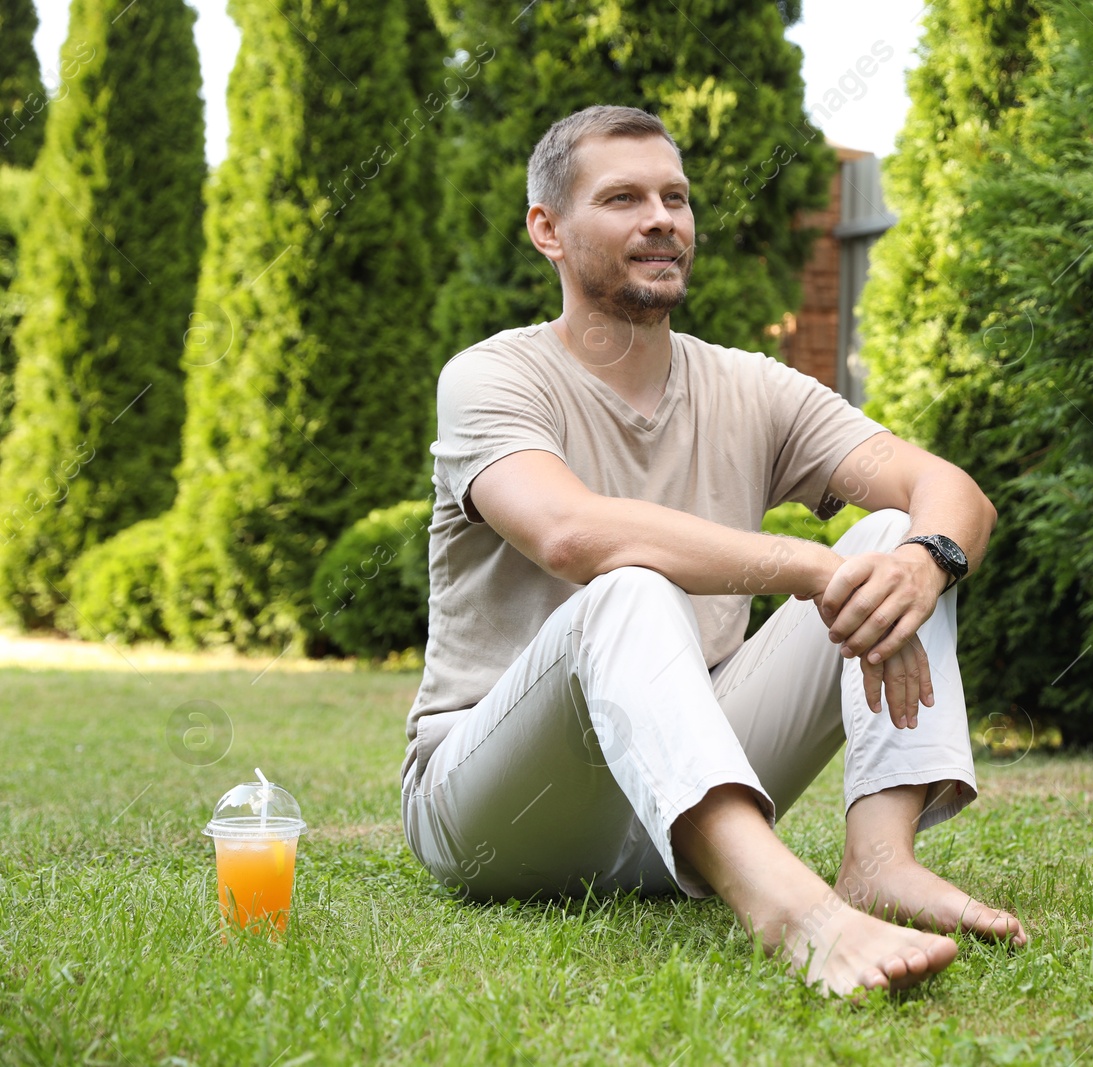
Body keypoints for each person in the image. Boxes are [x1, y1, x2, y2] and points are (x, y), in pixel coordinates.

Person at [399, 104, 1025, 998]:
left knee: (896, 536)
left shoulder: (748, 384)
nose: (662, 218)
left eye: (676, 197)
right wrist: (808, 565)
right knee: (630, 590)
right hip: (499, 813)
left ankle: (879, 861)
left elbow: (952, 491)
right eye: (622, 197)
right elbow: (573, 534)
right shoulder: (491, 377)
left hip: (670, 802)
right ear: (548, 229)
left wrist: (927, 559)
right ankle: (788, 910)